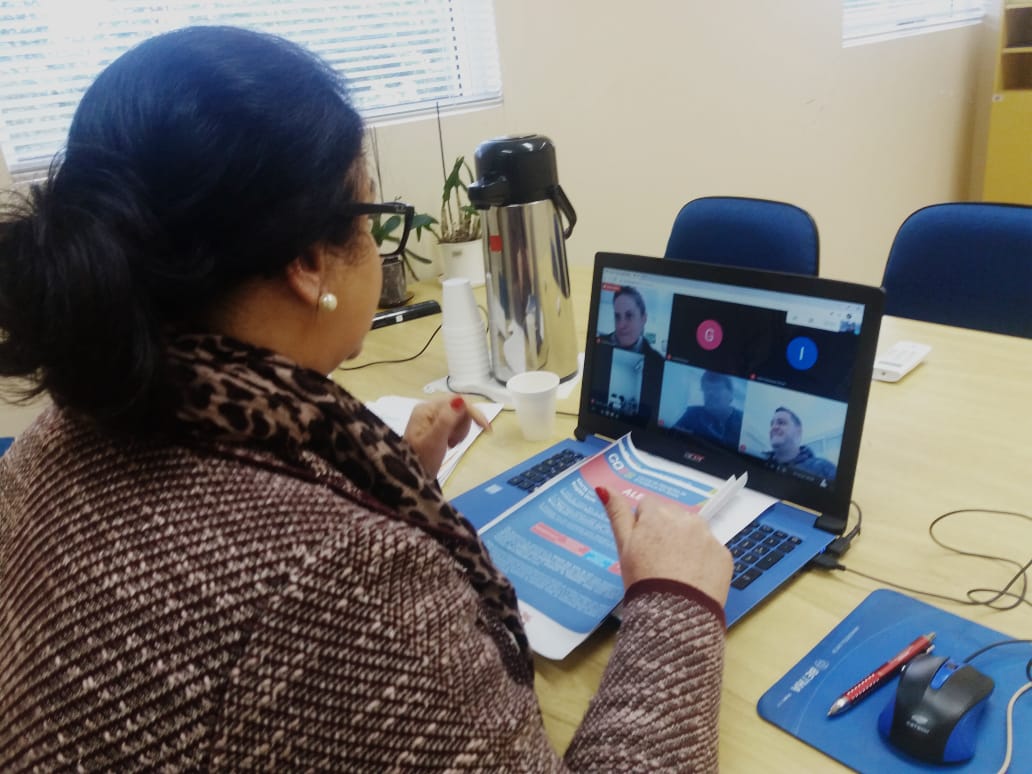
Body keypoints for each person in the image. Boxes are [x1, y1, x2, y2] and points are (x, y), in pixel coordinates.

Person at [0, 26, 733, 770]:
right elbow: (304, 602)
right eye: (370, 217)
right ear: (309, 263)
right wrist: (676, 602)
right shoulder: (342, 581)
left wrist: (365, 482)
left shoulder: (52, 438)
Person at [673, 370, 744, 448]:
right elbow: (670, 438)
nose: (710, 393)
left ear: (731, 394)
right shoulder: (692, 414)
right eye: (706, 389)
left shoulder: (743, 422)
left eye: (717, 388)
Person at [765, 406, 837, 480]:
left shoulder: (824, 468)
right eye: (772, 424)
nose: (773, 427)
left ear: (798, 432)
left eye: (781, 422)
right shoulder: (759, 457)